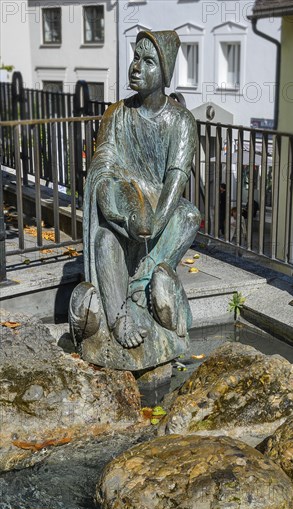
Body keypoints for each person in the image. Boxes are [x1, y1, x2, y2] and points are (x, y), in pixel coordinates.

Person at [80, 30, 200, 350]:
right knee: (105, 240)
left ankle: (147, 281)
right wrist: (120, 212)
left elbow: (176, 180)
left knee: (189, 215)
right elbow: (101, 169)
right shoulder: (116, 114)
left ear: (164, 74)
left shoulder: (181, 122)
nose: (136, 67)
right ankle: (119, 317)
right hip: (123, 209)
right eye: (136, 58)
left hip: (157, 211)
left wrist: (154, 223)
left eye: (148, 62)